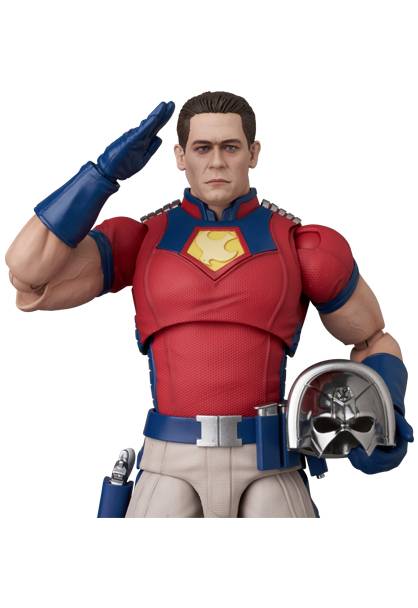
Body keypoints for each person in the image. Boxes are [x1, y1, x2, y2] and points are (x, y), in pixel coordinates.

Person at [5, 92, 413, 518]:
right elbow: (27, 278)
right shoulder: (141, 241)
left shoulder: (304, 247)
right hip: (169, 463)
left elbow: (373, 339)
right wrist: (101, 177)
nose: (216, 162)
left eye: (230, 147)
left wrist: (386, 410)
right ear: (180, 156)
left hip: (269, 463)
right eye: (202, 148)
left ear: (253, 153)